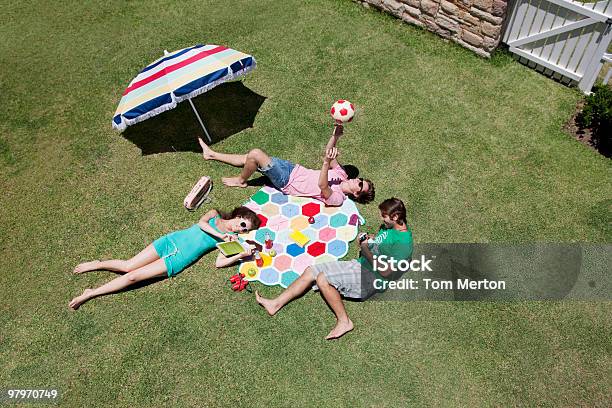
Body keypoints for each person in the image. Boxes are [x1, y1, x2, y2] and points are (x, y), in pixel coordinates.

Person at [255, 198, 413, 340]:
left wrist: (365, 250)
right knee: (312, 270)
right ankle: (275, 304)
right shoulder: (388, 228)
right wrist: (369, 239)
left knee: (323, 279)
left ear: (396, 216)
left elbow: (385, 272)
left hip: (369, 278)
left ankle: (345, 322)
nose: (381, 219)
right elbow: (380, 242)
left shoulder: (404, 244)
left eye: (384, 216)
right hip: (358, 265)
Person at [69, 207, 261, 310]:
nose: (242, 229)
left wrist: (241, 255)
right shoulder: (215, 215)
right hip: (169, 242)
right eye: (243, 224)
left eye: (246, 230)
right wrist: (221, 235)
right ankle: (98, 264)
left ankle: (91, 293)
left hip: (178, 259)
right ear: (238, 216)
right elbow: (201, 223)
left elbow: (219, 263)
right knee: (128, 266)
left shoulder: (233, 240)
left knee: (132, 277)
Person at [199, 124, 375, 206]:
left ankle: (241, 180)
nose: (357, 180)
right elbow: (328, 151)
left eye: (360, 184)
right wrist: (335, 136)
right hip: (293, 169)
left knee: (255, 154)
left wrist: (325, 163)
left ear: (357, 194)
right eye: (361, 179)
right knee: (250, 159)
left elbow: (322, 185)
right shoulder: (342, 174)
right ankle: (212, 154)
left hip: (287, 182)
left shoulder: (338, 198)